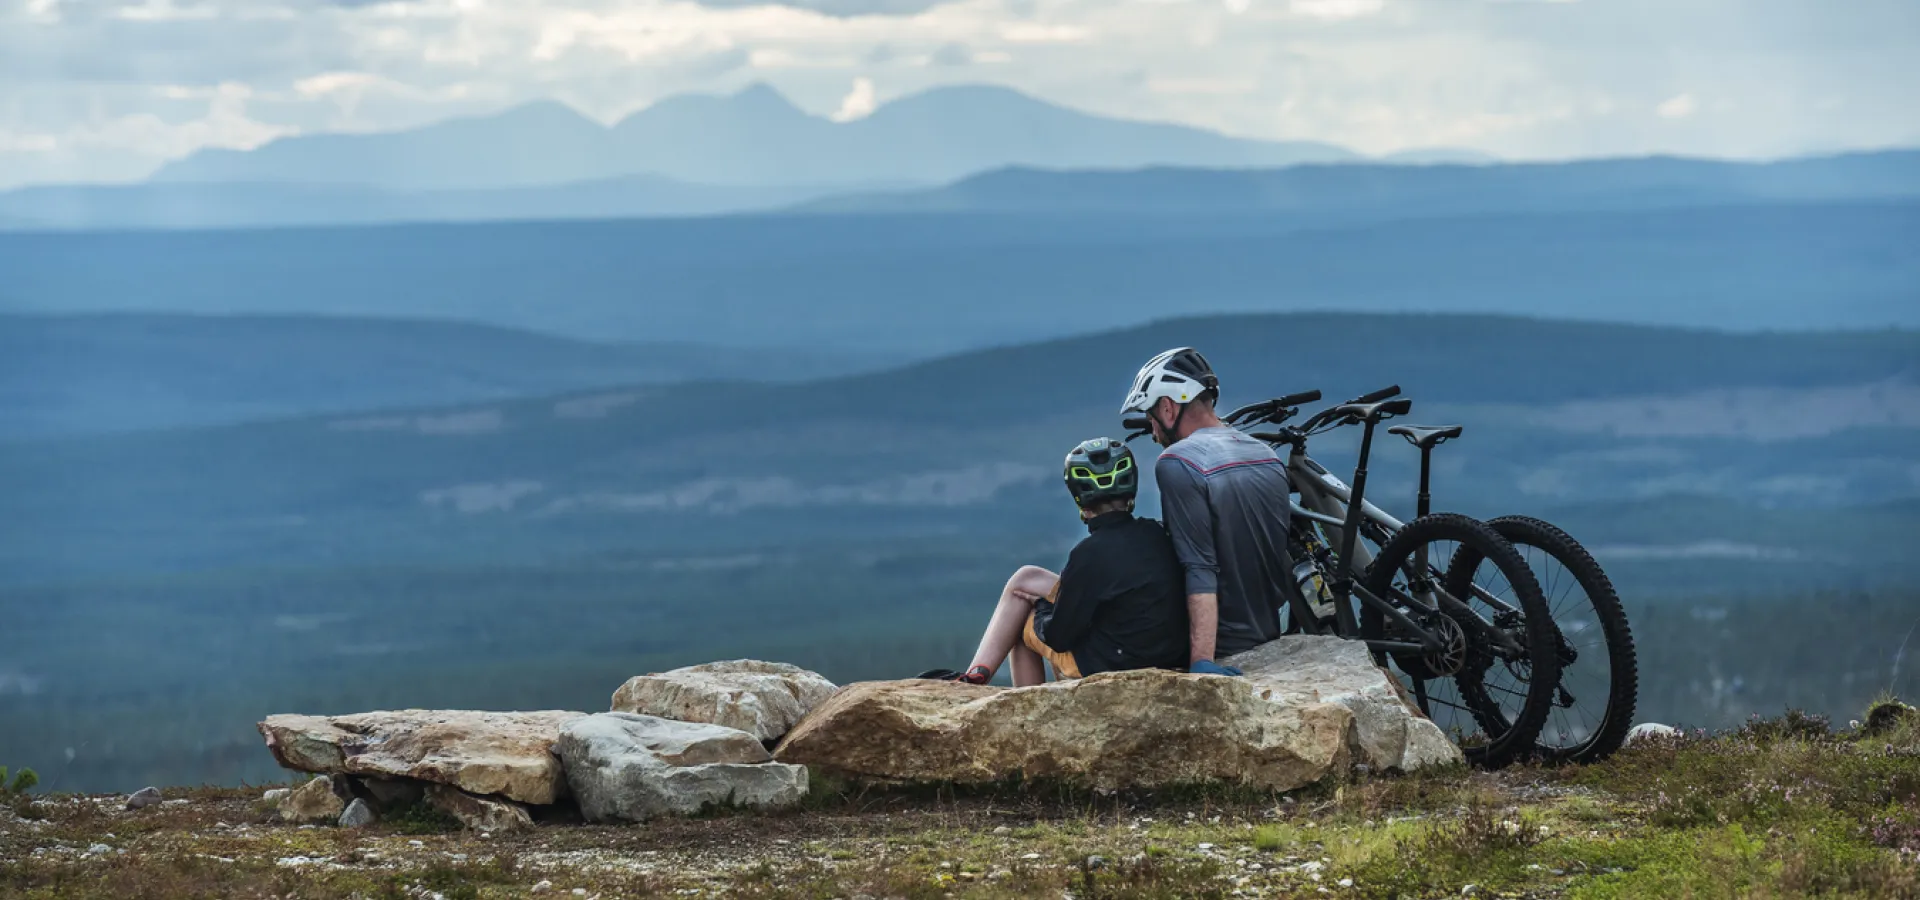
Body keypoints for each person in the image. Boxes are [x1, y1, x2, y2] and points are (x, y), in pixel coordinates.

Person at [939, 438, 1189, 686]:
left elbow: (1060, 637)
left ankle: (994, 688)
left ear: (1079, 497)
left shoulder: (1089, 554)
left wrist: (1042, 612)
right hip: (1164, 652)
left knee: (1021, 625)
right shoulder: (1157, 533)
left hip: (1114, 662)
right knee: (1026, 577)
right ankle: (977, 671)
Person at [1121, 347, 1292, 675]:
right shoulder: (1265, 453)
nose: (1153, 432)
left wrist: (1202, 661)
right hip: (1268, 634)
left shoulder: (1178, 462)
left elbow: (1199, 565)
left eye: (1150, 418)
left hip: (1223, 644)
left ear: (1168, 408)